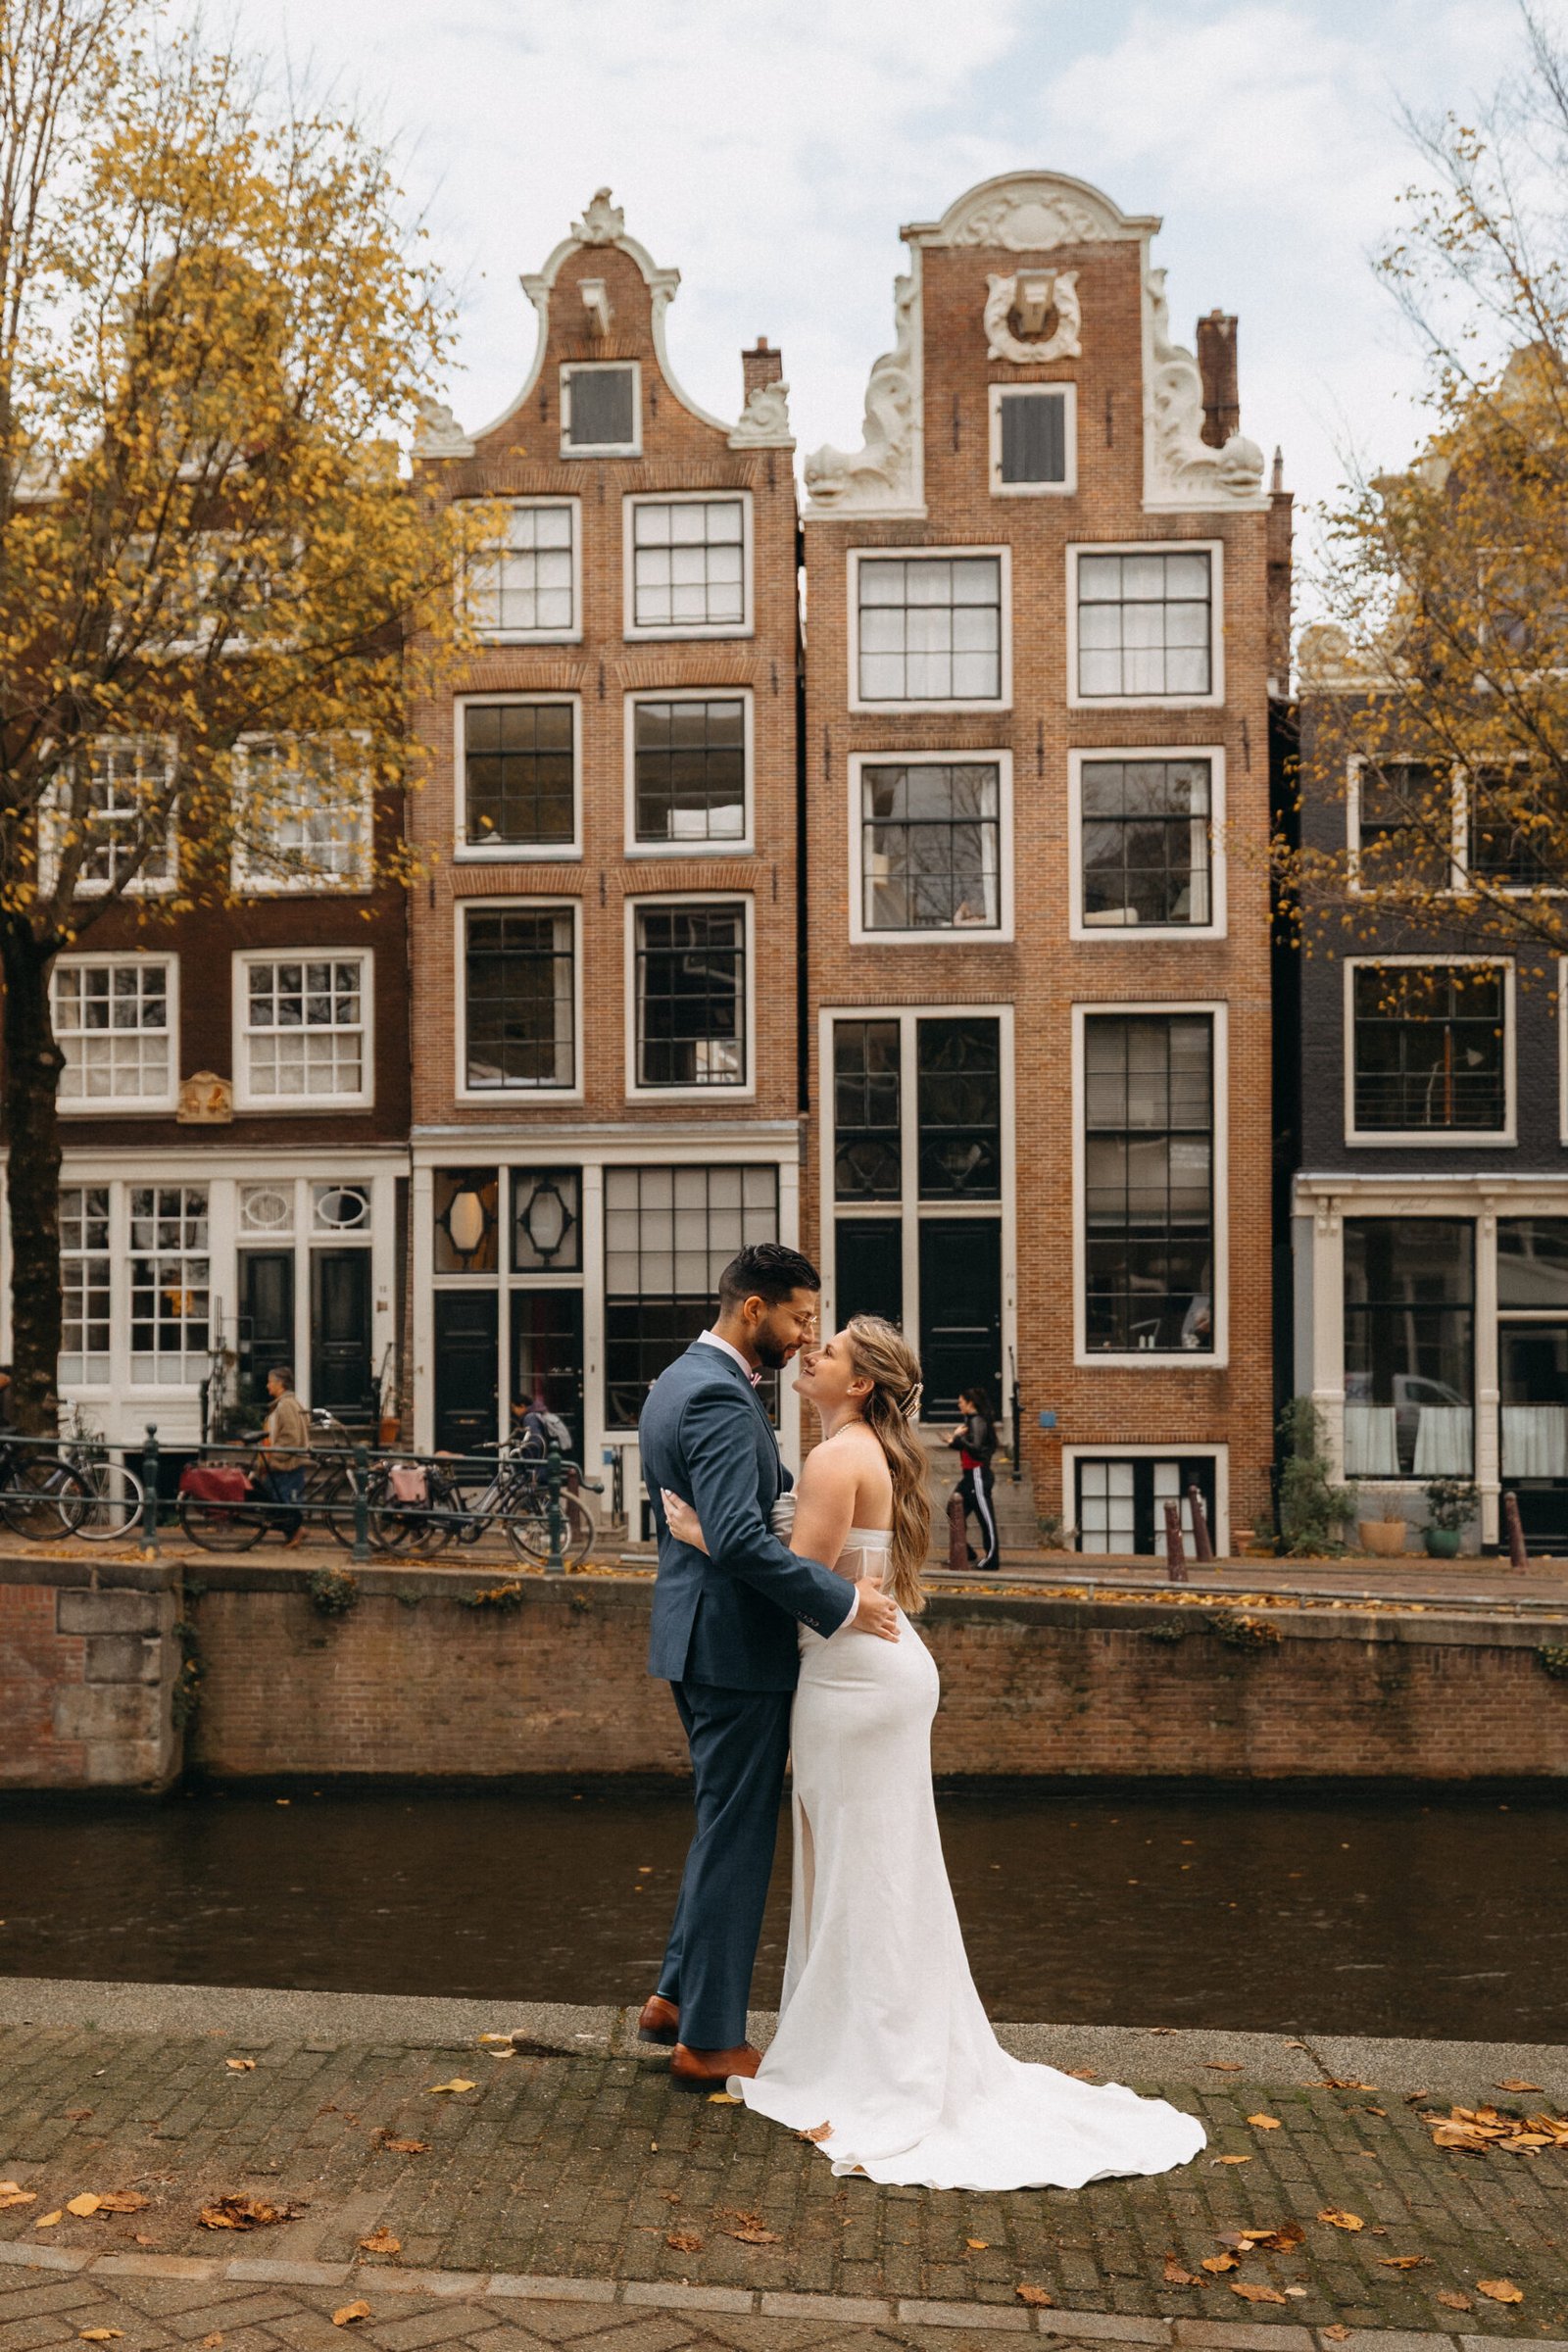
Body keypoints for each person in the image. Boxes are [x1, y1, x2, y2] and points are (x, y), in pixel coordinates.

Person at [661, 1314, 1206, 2192]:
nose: (811, 1352)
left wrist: (697, 1537)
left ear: (860, 1385)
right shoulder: (857, 1451)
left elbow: (788, 1586)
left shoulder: (841, 1458)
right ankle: (881, 2044)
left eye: (828, 1351)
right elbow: (815, 1566)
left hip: (852, 1685)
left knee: (862, 1874)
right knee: (877, 1869)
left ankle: (875, 2063)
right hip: (870, 1675)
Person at [637, 1243, 902, 2090]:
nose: (802, 1337)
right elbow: (746, 1541)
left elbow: (740, 1517)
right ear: (754, 1309)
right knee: (740, 1836)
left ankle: (676, 1997)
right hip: (734, 1647)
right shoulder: (717, 1395)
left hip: (700, 1635)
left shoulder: (682, 1378)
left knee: (722, 1821)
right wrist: (843, 1603)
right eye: (797, 1319)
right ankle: (710, 2039)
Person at [948, 1384, 999, 1572]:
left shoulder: (977, 1421)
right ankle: (966, 1552)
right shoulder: (970, 1421)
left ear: (970, 1403)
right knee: (952, 1511)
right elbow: (965, 1446)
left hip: (978, 1474)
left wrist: (959, 1439)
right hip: (969, 1477)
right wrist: (954, 1441)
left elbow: (976, 1448)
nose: (959, 1405)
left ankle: (992, 1559)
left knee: (986, 1518)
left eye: (961, 1402)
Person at [260, 1366, 311, 1547]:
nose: (267, 1386)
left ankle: (295, 1531)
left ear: (279, 1383)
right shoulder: (289, 1403)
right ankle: (295, 1531)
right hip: (289, 1462)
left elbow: (290, 1436)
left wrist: (275, 1456)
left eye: (270, 1382)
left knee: (281, 1498)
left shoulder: (285, 1405)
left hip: (286, 1463)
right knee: (282, 1498)